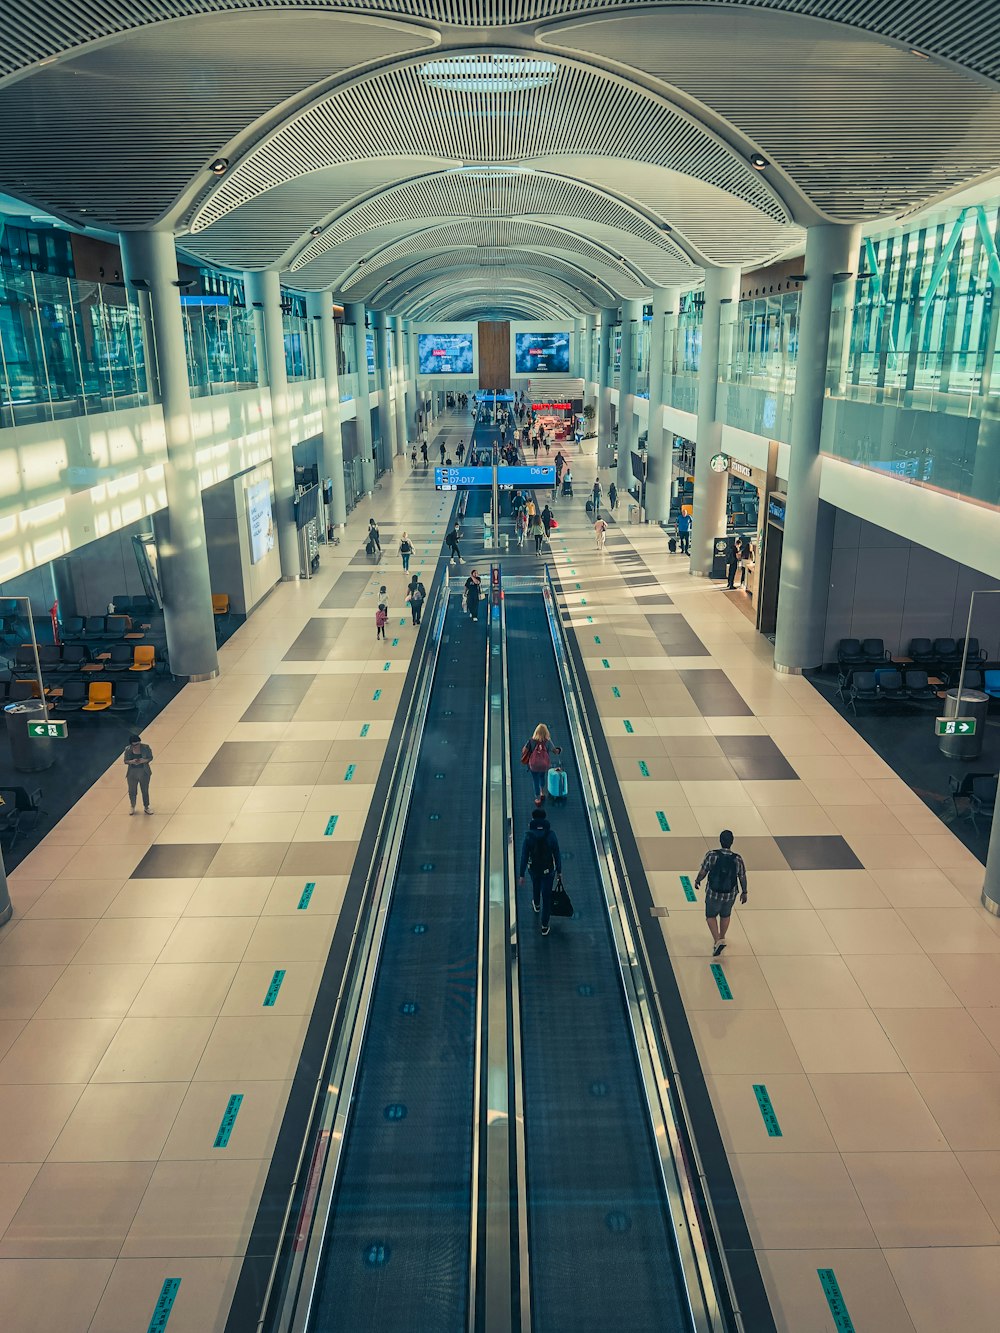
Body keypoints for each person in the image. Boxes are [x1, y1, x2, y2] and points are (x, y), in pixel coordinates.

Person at [694, 829, 748, 956]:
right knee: (725, 915)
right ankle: (722, 937)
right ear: (732, 842)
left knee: (711, 916)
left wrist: (697, 880)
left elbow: (704, 871)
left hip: (714, 892)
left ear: (720, 840)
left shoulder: (712, 855)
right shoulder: (737, 859)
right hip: (730, 893)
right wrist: (744, 892)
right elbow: (742, 876)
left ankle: (717, 940)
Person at [518, 806, 562, 936]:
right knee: (547, 897)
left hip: (533, 869)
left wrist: (521, 874)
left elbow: (524, 856)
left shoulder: (528, 836)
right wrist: (559, 871)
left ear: (533, 819)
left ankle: (536, 904)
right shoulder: (551, 835)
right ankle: (544, 925)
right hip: (548, 871)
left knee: (536, 885)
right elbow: (557, 853)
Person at [523, 723, 561, 804]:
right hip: (544, 765)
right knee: (542, 777)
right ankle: (542, 792)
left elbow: (524, 751)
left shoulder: (531, 741)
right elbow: (555, 751)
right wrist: (559, 750)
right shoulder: (548, 741)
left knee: (535, 780)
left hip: (533, 765)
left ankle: (537, 798)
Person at [124, 733, 153, 815]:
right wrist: (132, 761)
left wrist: (144, 760)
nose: (136, 746)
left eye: (138, 744)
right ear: (131, 744)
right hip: (132, 772)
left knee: (145, 790)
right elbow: (125, 761)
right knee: (132, 791)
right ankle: (132, 806)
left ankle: (146, 807)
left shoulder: (146, 747)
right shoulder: (128, 749)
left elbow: (150, 757)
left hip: (144, 772)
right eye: (134, 745)